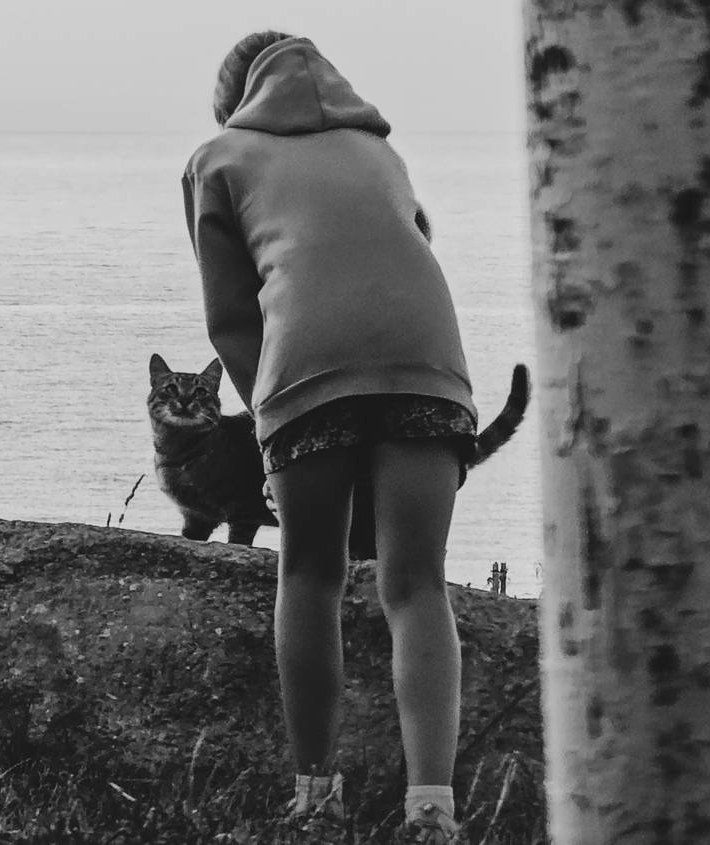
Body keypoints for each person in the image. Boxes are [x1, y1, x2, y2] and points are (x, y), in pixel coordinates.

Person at [182, 31, 475, 844]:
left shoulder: (218, 158)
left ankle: (316, 798)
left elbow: (231, 317)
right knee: (417, 583)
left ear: (235, 100)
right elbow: (410, 248)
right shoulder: (381, 152)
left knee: (310, 572)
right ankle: (432, 810)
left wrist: (269, 420)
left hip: (308, 366)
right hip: (429, 362)